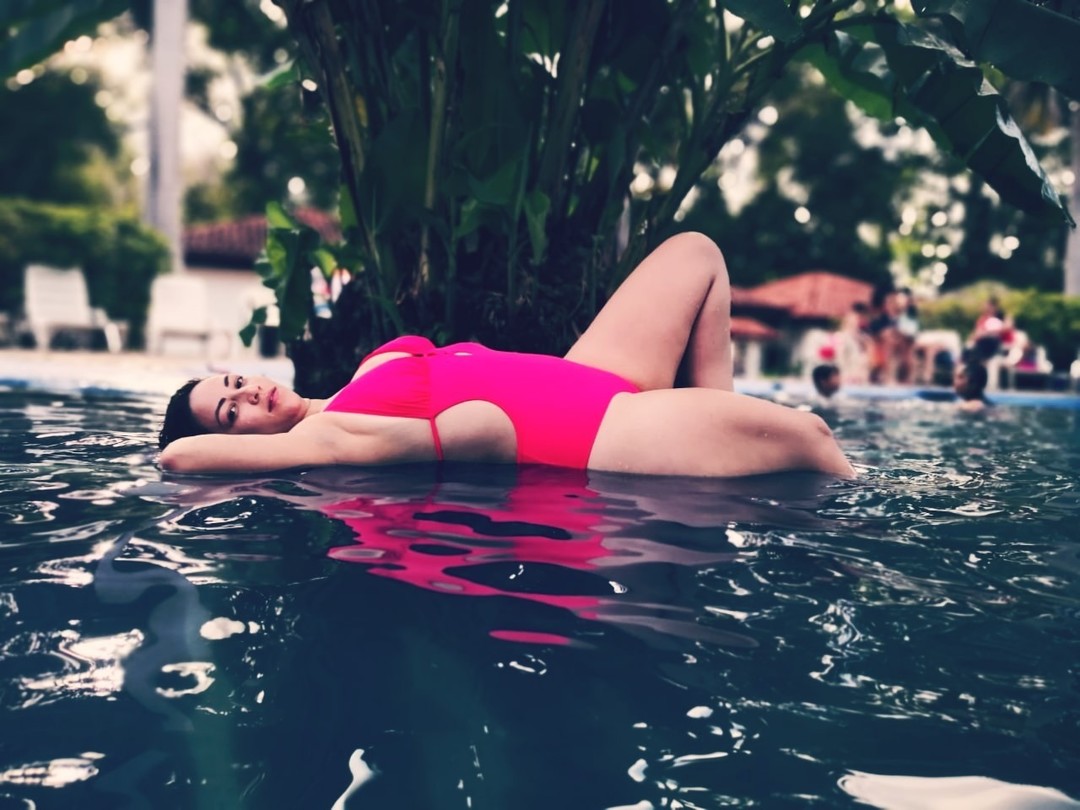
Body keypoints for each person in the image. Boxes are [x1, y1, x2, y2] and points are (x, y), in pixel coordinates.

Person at [158, 233, 854, 478]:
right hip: (595, 434)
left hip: (588, 375)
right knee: (811, 437)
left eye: (235, 382)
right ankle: (738, 453)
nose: (246, 393)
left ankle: (721, 438)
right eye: (231, 412)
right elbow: (179, 457)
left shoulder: (365, 371)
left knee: (696, 255)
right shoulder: (327, 437)